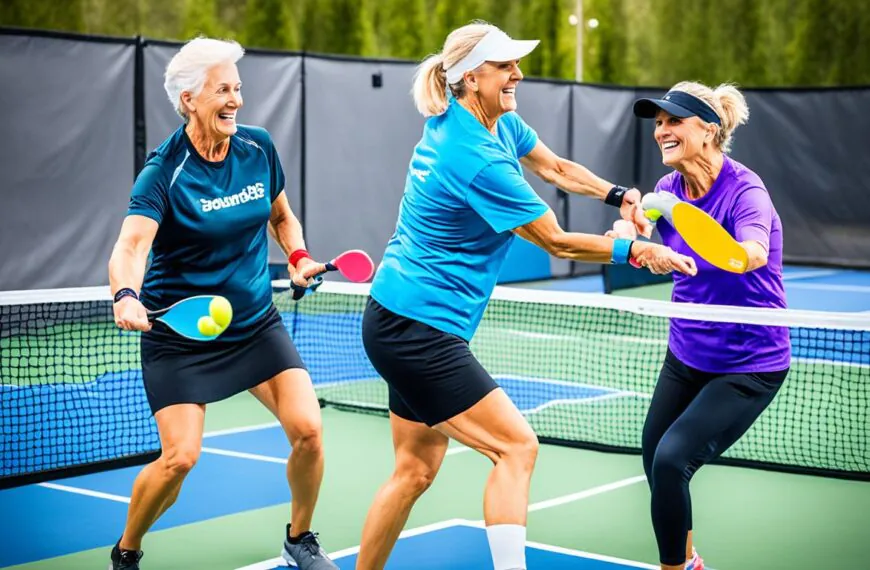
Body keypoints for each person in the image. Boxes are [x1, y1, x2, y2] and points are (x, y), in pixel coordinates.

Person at [356, 23, 696, 570]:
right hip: (418, 330)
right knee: (517, 447)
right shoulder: (474, 157)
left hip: (395, 316)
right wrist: (636, 254)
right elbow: (554, 238)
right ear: (471, 77)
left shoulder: (490, 121)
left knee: (414, 470)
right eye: (505, 65)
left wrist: (621, 194)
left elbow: (557, 168)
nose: (518, 73)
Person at [107, 37, 337, 570]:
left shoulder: (257, 148)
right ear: (189, 99)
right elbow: (132, 245)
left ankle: (299, 539)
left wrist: (298, 256)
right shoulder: (165, 171)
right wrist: (125, 294)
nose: (235, 99)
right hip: (181, 335)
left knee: (308, 430)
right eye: (221, 90)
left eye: (237, 88)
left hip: (255, 324)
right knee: (180, 459)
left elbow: (281, 217)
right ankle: (127, 550)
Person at [612, 82, 790, 570]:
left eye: (674, 121)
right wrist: (630, 233)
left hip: (748, 363)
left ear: (708, 130)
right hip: (686, 353)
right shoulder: (668, 190)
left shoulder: (745, 191)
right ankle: (689, 561)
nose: (662, 131)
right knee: (654, 458)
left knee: (672, 462)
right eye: (658, 123)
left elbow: (749, 253)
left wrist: (731, 250)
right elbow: (640, 221)